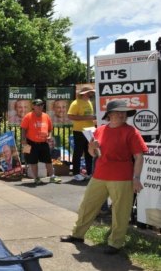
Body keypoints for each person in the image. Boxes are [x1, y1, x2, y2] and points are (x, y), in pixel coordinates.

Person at [60, 100, 146, 255]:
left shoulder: (131, 132)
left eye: (124, 112)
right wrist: (92, 148)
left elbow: (139, 157)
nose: (122, 115)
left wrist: (137, 178)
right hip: (99, 175)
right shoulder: (99, 130)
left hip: (122, 177)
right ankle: (77, 235)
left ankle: (115, 243)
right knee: (87, 205)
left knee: (120, 211)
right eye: (118, 112)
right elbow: (94, 154)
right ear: (110, 114)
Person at [20, 99, 61, 185]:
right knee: (33, 161)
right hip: (31, 142)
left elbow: (50, 129)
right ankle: (36, 178)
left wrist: (49, 135)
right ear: (33, 106)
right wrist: (24, 140)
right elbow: (23, 129)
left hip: (43, 142)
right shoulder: (28, 116)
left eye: (41, 105)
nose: (40, 107)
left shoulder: (46, 116)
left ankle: (52, 177)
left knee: (48, 160)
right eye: (38, 105)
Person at [68, 86, 96, 181]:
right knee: (78, 152)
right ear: (85, 93)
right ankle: (76, 173)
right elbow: (70, 116)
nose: (92, 94)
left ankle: (89, 173)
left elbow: (90, 117)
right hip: (79, 131)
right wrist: (89, 118)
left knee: (90, 152)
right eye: (90, 92)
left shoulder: (89, 102)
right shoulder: (75, 103)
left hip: (90, 130)